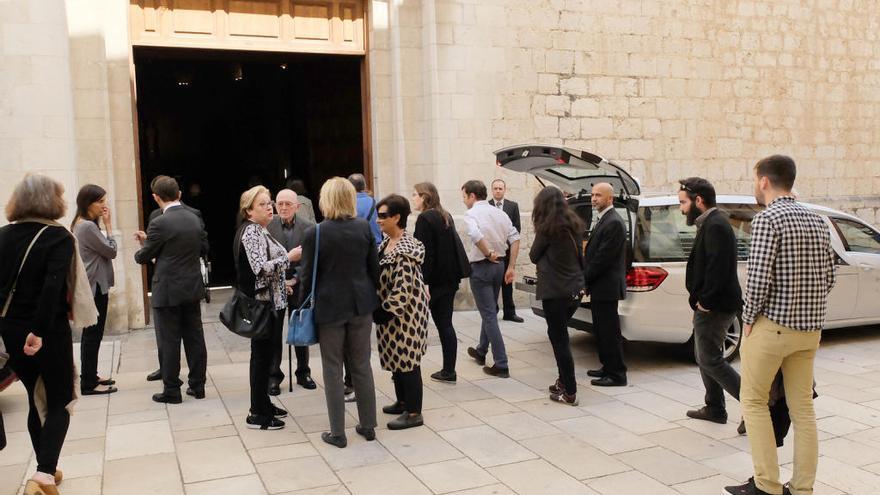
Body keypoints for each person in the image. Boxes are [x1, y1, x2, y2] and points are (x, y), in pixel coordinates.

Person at [724, 156, 835, 495]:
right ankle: (802, 488)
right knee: (803, 410)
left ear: (763, 181)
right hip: (809, 331)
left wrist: (747, 320)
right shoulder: (817, 220)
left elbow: (757, 279)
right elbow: (828, 278)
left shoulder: (768, 219)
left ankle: (767, 484)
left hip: (771, 328)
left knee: (754, 402)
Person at [0, 175, 84, 495]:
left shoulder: (3, 235)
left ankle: (45, 467)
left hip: (9, 328)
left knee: (36, 399)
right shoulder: (57, 236)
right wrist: (37, 331)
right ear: (52, 201)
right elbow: (52, 287)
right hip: (45, 330)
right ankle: (44, 475)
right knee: (61, 399)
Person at [299, 177, 380, 448]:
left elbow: (307, 275)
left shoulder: (315, 233)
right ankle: (368, 426)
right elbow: (374, 269)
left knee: (332, 368)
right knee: (361, 365)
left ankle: (338, 432)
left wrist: (300, 307)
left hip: (330, 307)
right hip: (361, 305)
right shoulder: (362, 229)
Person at [134, 176, 208, 404]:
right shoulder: (194, 218)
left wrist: (146, 244)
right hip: (192, 286)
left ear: (156, 197)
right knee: (195, 337)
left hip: (167, 289)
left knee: (170, 341)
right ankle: (197, 386)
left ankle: (172, 390)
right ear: (179, 194)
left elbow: (142, 257)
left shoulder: (159, 223)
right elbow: (203, 248)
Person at [678, 177, 743, 426]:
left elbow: (718, 268)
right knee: (704, 354)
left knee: (709, 358)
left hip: (715, 306)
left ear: (698, 200)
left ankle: (756, 406)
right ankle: (715, 407)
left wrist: (705, 301)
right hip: (711, 304)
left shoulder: (716, 224)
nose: (681, 208)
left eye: (683, 202)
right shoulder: (710, 222)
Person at [235, 186, 300, 430]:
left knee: (266, 356)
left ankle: (264, 403)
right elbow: (260, 268)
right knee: (261, 358)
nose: (269, 207)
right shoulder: (251, 231)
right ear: (249, 210)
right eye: (262, 204)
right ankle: (257, 413)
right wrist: (289, 257)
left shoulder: (261, 230)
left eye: (269, 202)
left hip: (271, 301)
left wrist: (282, 285)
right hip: (262, 306)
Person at [374, 194, 430, 430]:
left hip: (405, 317)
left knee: (408, 362)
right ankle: (402, 402)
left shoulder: (405, 250)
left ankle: (414, 412)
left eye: (383, 216)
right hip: (392, 316)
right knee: (396, 361)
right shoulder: (386, 243)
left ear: (397, 217)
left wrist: (385, 311)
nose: (378, 220)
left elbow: (403, 289)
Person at [529, 187, 585, 406]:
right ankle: (563, 381)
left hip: (555, 292)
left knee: (559, 340)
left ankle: (569, 391)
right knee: (560, 335)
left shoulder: (547, 229)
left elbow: (534, 256)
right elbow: (580, 257)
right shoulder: (575, 225)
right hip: (574, 290)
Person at [461, 180, 521, 378]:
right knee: (491, 310)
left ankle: (501, 363)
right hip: (500, 267)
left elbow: (474, 233)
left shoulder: (471, 214)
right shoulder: (500, 212)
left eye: (464, 196)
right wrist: (511, 266)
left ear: (471, 196)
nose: (464, 201)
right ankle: (481, 350)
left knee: (489, 314)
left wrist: (487, 253)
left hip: (482, 267)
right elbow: (515, 237)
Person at [412, 182, 470, 383]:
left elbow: (424, 254)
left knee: (416, 324)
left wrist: (424, 282)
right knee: (446, 324)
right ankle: (449, 369)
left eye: (415, 195)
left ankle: (408, 369)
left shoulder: (425, 218)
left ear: (424, 197)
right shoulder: (444, 214)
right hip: (448, 279)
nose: (413, 198)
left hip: (433, 282)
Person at [266, 189, 316, 394]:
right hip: (275, 286)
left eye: (288, 204)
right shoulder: (267, 227)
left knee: (300, 329)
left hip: (298, 286)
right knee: (274, 332)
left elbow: (310, 259)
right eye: (280, 204)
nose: (284, 208)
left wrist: (294, 280)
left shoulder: (309, 228)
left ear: (297, 206)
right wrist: (280, 281)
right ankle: (274, 376)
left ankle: (303, 372)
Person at [71, 184, 119, 396]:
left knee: (93, 334)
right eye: (99, 201)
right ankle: (88, 383)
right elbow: (111, 251)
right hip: (94, 287)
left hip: (94, 285)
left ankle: (91, 376)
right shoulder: (87, 227)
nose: (103, 205)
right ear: (87, 203)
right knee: (92, 335)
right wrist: (109, 227)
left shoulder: (83, 224)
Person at [583, 182, 628, 387]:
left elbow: (602, 258)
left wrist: (584, 279)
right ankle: (607, 366)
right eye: (593, 195)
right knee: (601, 330)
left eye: (598, 195)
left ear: (610, 198)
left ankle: (617, 374)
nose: (594, 199)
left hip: (607, 287)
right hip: (601, 287)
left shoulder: (614, 222)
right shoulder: (603, 219)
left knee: (610, 332)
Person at [488, 179, 523, 322]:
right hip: (491, 252)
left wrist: (508, 245)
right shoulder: (486, 206)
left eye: (500, 188)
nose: (497, 190)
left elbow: (517, 228)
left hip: (508, 251)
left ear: (504, 190)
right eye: (495, 188)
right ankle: (493, 311)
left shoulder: (512, 206)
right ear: (492, 190)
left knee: (507, 282)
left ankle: (509, 312)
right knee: (492, 283)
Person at [348, 173, 382, 245]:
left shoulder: (344, 205)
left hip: (354, 247)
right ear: (364, 186)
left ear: (349, 188)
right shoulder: (376, 203)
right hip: (375, 246)